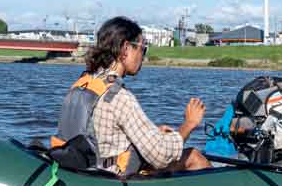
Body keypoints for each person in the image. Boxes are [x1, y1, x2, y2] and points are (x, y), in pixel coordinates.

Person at [66, 16, 210, 176]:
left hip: (82, 171)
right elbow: (161, 155)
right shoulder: (118, 96)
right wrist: (189, 124)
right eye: (142, 49)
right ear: (125, 49)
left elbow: (101, 136)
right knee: (194, 157)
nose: (143, 56)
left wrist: (153, 133)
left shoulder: (82, 85)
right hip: (112, 180)